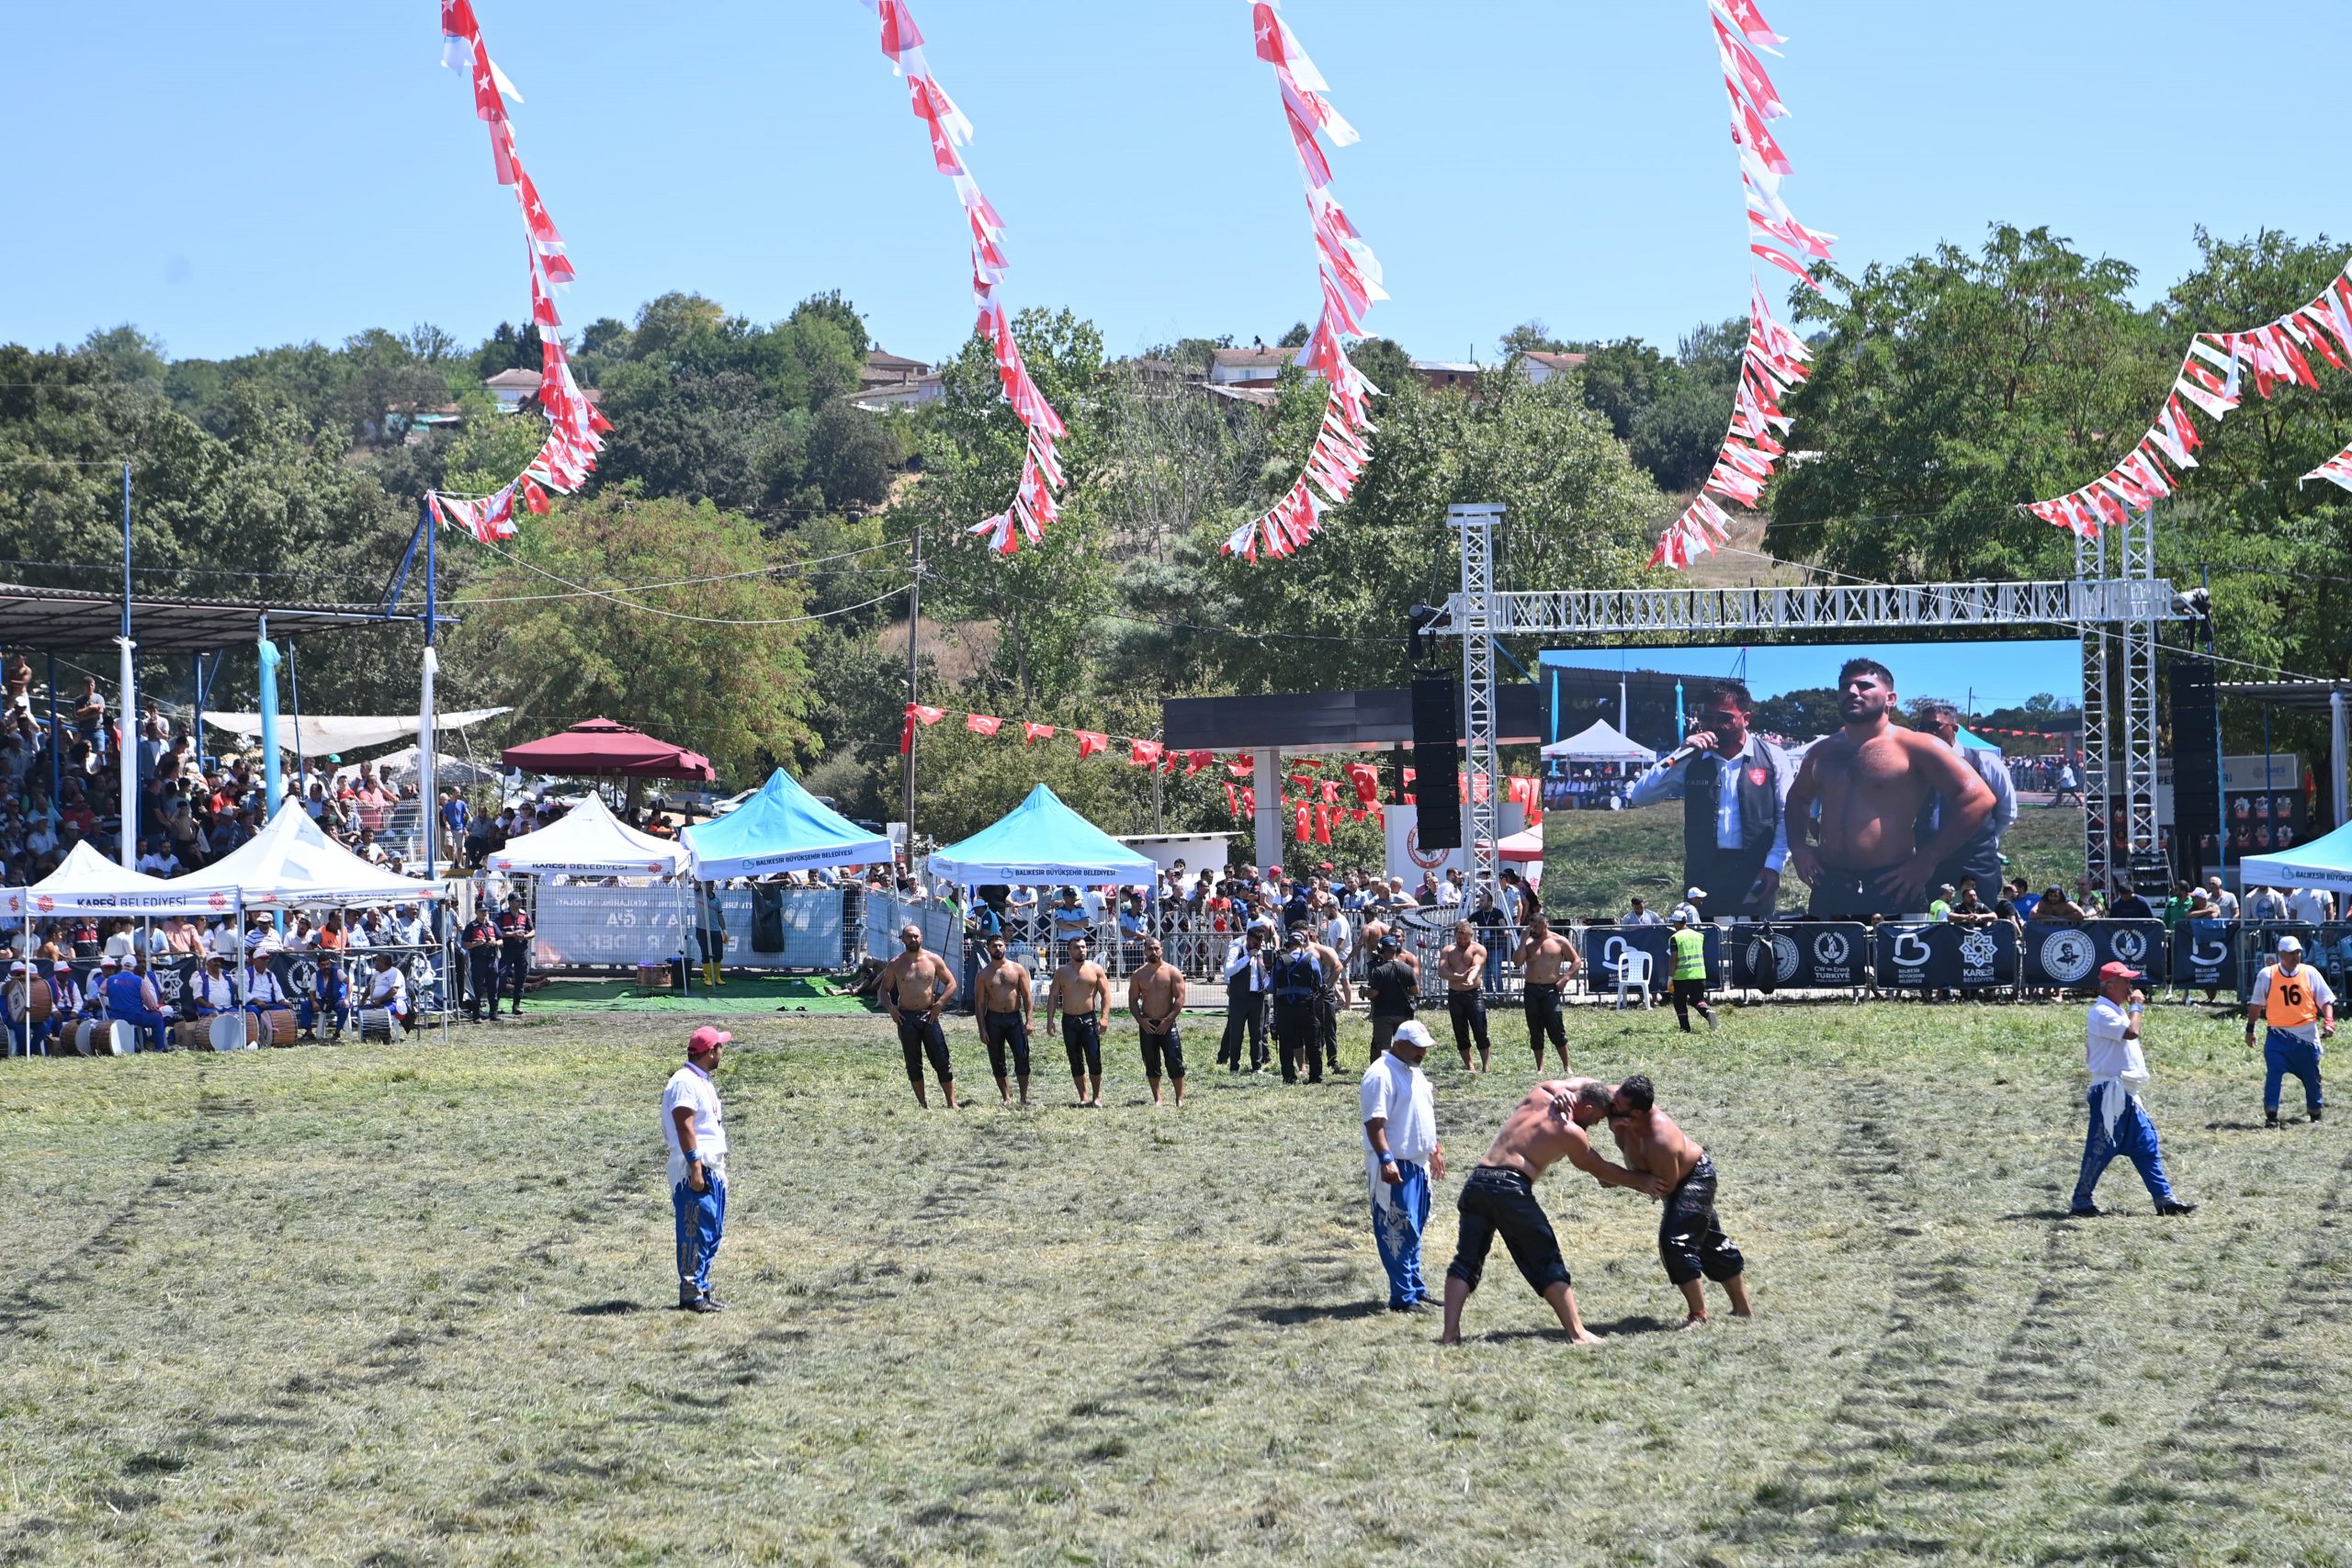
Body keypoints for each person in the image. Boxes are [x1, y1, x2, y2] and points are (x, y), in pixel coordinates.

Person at [1437, 1076, 1665, 1348]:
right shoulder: (1570, 1131)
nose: (1594, 1126)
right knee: (1546, 1259)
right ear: (1590, 1110)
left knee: (1466, 1260)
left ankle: (1450, 1335)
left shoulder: (1541, 1093)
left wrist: (1574, 1093)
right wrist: (1642, 1181)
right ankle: (1578, 1333)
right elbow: (1602, 1172)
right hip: (1510, 1188)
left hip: (1477, 1182)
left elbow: (1590, 1084)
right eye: (1597, 1120)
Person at [1785, 659, 1996, 918]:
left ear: (1891, 698)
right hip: (1831, 883)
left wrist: (1927, 860)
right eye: (1845, 686)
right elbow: (1797, 798)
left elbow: (1979, 798)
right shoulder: (1823, 751)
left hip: (1893, 884)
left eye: (1864, 685)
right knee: (1825, 958)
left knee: (1895, 959)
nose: (1852, 692)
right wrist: (1798, 847)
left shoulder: (1915, 745)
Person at [1624, 680, 1794, 919]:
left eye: (1724, 718)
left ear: (1746, 718)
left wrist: (1774, 865)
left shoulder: (1772, 756)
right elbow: (1640, 796)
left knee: (1754, 943)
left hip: (1756, 870)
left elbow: (1787, 815)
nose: (1714, 725)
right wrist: (1680, 754)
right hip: (1703, 872)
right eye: (1706, 717)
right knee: (1704, 944)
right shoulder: (1690, 757)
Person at [1603, 1075, 1751, 1326]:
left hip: (1693, 1180)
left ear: (1636, 1113)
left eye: (1617, 1106)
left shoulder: (1661, 1140)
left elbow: (1663, 1187)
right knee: (1709, 1240)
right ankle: (1743, 1310)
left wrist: (1620, 1178)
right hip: (1668, 1178)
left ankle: (1698, 1316)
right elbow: (1590, 1090)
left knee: (1676, 1241)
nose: (1611, 1107)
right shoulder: (1617, 1100)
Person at [2070, 961, 2197, 1218]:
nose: (2131, 986)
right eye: (2126, 981)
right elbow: (2132, 1032)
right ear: (2110, 985)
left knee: (2147, 1143)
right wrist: (2136, 1006)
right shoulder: (2101, 1012)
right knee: (2100, 1149)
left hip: (2123, 1093)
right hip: (2110, 1093)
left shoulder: (2113, 1010)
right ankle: (2081, 1201)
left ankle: (2164, 1199)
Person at [1362, 1019, 1446, 1313]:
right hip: (1395, 1165)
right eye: (1419, 1047)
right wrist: (1386, 1160)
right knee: (1396, 1230)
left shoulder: (1414, 1071)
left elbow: (1422, 1112)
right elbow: (1374, 1122)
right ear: (1400, 1044)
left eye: (1426, 1047)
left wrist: (1434, 1148)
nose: (1424, 1052)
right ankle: (1402, 1297)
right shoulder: (1380, 1075)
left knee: (1415, 1228)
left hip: (1418, 1163)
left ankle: (1415, 1287)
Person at [662, 1025, 732, 1314]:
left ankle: (701, 1287)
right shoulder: (684, 1081)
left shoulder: (699, 1079)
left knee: (710, 1230)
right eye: (720, 1047)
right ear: (709, 1052)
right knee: (695, 1230)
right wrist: (695, 1166)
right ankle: (690, 1291)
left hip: (709, 1165)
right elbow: (684, 1123)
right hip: (695, 1165)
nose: (722, 1051)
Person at [1918, 704, 2018, 899]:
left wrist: (1982, 837)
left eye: (1934, 726)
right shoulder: (1919, 764)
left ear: (1954, 728)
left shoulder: (1984, 761)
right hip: (1930, 861)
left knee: (1979, 920)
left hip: (1976, 862)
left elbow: (2007, 811)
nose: (1927, 732)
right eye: (1921, 727)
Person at [2245, 935, 2334, 1128]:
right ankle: (2271, 1113)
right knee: (2274, 1072)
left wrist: (2329, 1021)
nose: (2296, 956)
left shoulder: (2310, 972)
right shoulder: (2267, 975)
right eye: (2291, 953)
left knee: (2312, 1077)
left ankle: (2315, 1111)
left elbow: (2325, 999)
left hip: (2307, 1036)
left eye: (2298, 952)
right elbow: (2256, 1005)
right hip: (2278, 1035)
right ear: (2281, 954)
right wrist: (2250, 1030)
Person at [881, 924, 958, 1109]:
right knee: (913, 1063)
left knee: (941, 1059)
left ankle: (951, 1102)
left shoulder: (933, 960)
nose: (913, 939)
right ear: (902, 939)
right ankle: (923, 1104)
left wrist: (939, 1005)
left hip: (928, 1016)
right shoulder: (896, 963)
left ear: (921, 937)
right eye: (909, 937)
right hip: (906, 1018)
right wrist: (891, 1008)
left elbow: (952, 983)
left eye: (916, 936)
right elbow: (883, 990)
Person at [1046, 935, 1110, 1107]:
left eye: (1083, 947)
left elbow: (1105, 994)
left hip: (1089, 1019)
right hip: (1069, 1021)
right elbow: (1053, 996)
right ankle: (1083, 1096)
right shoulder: (1062, 972)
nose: (1081, 950)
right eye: (1076, 947)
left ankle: (1096, 1096)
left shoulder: (1096, 969)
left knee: (1094, 1058)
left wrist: (1104, 1018)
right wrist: (1050, 1020)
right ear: (1069, 951)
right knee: (1075, 1059)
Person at [973, 933, 1034, 1107]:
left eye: (1000, 945)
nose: (997, 948)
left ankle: (1023, 1097)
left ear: (1005, 946)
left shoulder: (1018, 969)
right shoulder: (983, 975)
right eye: (994, 946)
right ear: (988, 949)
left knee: (1022, 1056)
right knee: (997, 1059)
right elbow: (979, 1004)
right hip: (994, 1019)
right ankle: (1006, 1097)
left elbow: (1027, 996)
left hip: (1014, 1018)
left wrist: (1029, 1020)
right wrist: (982, 1029)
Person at [1127, 936, 1187, 1108]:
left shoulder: (1172, 972)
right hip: (1148, 1025)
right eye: (1149, 949)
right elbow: (1132, 1000)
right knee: (1151, 1061)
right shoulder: (1139, 974)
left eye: (1156, 948)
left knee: (1174, 1060)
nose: (1153, 952)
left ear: (1161, 949)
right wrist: (1140, 1020)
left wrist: (1169, 1020)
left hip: (1167, 1024)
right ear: (1144, 951)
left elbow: (1180, 998)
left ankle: (1179, 1098)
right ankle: (1158, 1098)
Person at [1514, 911, 1579, 1069]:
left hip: (1551, 989)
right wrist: (1522, 940)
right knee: (1535, 1029)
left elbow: (1576, 961)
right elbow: (1517, 962)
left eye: (1536, 927)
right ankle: (1540, 1068)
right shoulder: (1528, 943)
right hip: (1531, 990)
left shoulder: (1559, 941)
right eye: (1531, 926)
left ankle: (1567, 1066)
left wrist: (1565, 979)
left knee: (1556, 1027)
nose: (1533, 930)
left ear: (1545, 925)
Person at [1271, 926, 1329, 1084]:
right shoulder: (1311, 959)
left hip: (1284, 1007)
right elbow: (1319, 982)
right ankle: (1315, 1077)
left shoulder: (1280, 961)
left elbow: (1271, 986)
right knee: (1312, 1042)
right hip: (1306, 1006)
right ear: (1303, 943)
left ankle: (1289, 1077)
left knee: (1286, 1042)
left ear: (1288, 944)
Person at [1438, 919, 1491, 1072]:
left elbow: (1476, 966)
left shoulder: (1478, 949)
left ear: (1471, 935)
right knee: (1460, 1032)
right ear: (1455, 935)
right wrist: (1460, 976)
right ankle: (1470, 1066)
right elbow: (1442, 971)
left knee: (1480, 1030)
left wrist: (1469, 978)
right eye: (1459, 938)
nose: (1462, 941)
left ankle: (1486, 1065)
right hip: (1455, 995)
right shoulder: (1448, 950)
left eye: (1465, 938)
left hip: (1474, 994)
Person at [1219, 922, 1272, 1073]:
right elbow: (1228, 971)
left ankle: (1257, 1067)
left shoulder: (1261, 952)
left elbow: (1265, 973)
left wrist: (1267, 987)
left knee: (1258, 1034)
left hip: (1257, 998)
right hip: (1239, 999)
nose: (1258, 946)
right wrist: (1247, 958)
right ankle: (1234, 1067)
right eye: (1255, 943)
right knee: (1236, 1033)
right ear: (1248, 939)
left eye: (1260, 943)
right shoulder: (1237, 949)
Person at [1362, 932, 1419, 1066]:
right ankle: (1404, 1070)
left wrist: (1364, 992)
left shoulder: (1379, 971)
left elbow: (1373, 993)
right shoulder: (1407, 969)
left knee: (1384, 1048)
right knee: (1403, 1046)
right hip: (1403, 1014)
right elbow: (1415, 990)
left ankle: (1386, 1073)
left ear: (1381, 950)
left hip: (1383, 1015)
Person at [102, 956, 174, 1053]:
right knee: (157, 1019)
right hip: (135, 1016)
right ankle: (159, 1048)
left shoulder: (109, 980)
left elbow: (101, 993)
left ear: (121, 966)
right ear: (135, 966)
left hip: (114, 1016)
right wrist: (154, 1009)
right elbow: (150, 1003)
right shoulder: (139, 981)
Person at [1306, 920, 1350, 1074]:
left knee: (1329, 1028)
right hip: (1310, 994)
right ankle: (1309, 1061)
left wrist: (1329, 987)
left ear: (1316, 935)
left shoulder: (1324, 950)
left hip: (1325, 993)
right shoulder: (1303, 950)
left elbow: (1337, 968)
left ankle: (1333, 1062)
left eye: (1312, 934)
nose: (1310, 936)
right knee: (1311, 1029)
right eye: (1308, 934)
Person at [1667, 911, 1715, 1033]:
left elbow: (1674, 959)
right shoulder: (1698, 936)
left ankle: (1685, 1028)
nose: (1673, 925)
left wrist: (1670, 977)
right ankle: (1707, 1012)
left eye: (1673, 922)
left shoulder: (1675, 938)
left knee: (1679, 1001)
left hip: (1682, 976)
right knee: (1697, 1000)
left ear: (1677, 922)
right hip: (1699, 974)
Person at [494, 892, 534, 1017]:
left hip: (521, 950)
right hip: (507, 949)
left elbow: (533, 930)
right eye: (517, 901)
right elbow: (496, 931)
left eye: (520, 900)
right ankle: (494, 1006)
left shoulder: (524, 915)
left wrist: (525, 936)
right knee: (501, 976)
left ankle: (516, 1005)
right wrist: (512, 934)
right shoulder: (503, 915)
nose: (520, 903)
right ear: (511, 902)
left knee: (521, 977)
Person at [462, 905, 501, 1023]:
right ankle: (476, 1015)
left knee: (493, 987)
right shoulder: (471, 926)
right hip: (478, 960)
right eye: (482, 911)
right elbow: (465, 944)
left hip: (492, 959)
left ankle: (493, 1013)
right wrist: (477, 943)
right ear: (476, 912)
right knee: (477, 989)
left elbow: (501, 939)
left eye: (486, 911)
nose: (484, 913)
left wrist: (495, 943)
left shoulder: (492, 925)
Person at [364, 951, 411, 1034]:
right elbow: (369, 987)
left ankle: (384, 1034)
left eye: (377, 961)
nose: (375, 962)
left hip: (394, 1002)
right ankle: (369, 1034)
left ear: (383, 963)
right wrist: (362, 1000)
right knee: (362, 1011)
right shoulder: (376, 973)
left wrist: (379, 1001)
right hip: (378, 1002)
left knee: (381, 1013)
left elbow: (394, 990)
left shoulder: (395, 973)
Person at [695, 880, 729, 988]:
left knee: (718, 954)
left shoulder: (717, 901)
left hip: (715, 931)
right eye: (708, 884)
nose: (710, 886)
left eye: (711, 884)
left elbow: (720, 916)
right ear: (703, 885)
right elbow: (696, 882)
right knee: (706, 954)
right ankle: (708, 978)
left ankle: (717, 977)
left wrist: (724, 931)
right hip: (702, 930)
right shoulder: (698, 893)